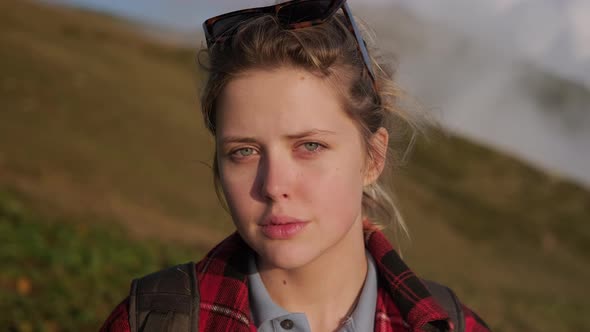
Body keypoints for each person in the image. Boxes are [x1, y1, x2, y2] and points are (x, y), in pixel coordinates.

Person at [100, 0, 491, 331]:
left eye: (310, 145)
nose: (273, 185)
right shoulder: (152, 321)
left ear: (372, 158)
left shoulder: (453, 325)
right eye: (244, 151)